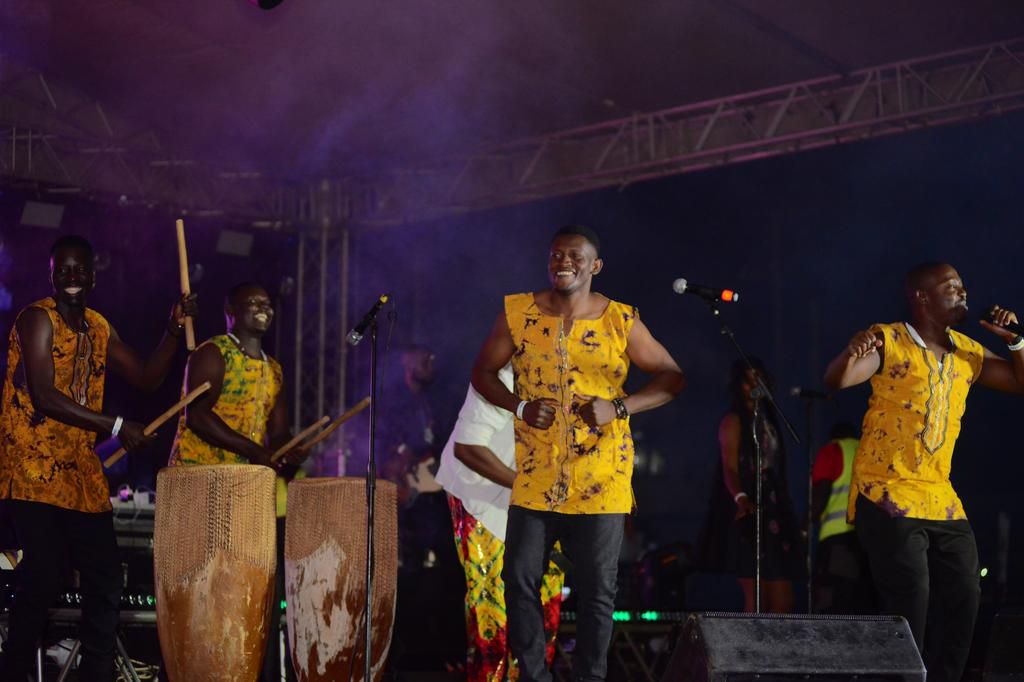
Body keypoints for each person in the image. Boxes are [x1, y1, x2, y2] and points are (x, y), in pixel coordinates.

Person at [471, 224, 685, 682]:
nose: (563, 262)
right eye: (555, 255)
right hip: (536, 476)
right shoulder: (518, 312)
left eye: (574, 256)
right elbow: (483, 373)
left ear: (595, 266)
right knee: (519, 579)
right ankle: (534, 676)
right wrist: (521, 405)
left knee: (597, 592)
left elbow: (671, 376)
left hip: (601, 476)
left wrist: (621, 406)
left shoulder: (620, 319)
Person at [0, 234, 196, 681]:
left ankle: (96, 673)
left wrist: (170, 331)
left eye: (79, 269)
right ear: (51, 274)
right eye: (62, 268)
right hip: (32, 466)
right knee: (45, 572)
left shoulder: (100, 327)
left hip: (79, 471)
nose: (71, 276)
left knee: (106, 579)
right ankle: (12, 671)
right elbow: (45, 396)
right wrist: (114, 426)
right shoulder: (37, 319)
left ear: (92, 275)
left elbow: (147, 377)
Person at [824, 262, 1024, 682]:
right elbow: (838, 380)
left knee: (966, 594)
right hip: (887, 492)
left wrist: (1018, 343)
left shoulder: (968, 352)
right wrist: (851, 352)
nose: (962, 293)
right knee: (912, 597)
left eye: (963, 286)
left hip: (938, 495)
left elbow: (1019, 382)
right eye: (951, 287)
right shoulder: (890, 339)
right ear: (922, 298)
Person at [167, 281, 303, 682]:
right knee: (196, 591)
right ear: (230, 309)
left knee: (237, 592)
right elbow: (197, 416)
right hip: (198, 481)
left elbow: (275, 434)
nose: (262, 309)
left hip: (243, 490)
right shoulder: (212, 352)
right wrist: (256, 451)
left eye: (267, 303)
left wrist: (287, 452)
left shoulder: (274, 369)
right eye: (252, 303)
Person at [435, 363, 564, 681]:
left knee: (541, 618)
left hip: (542, 503)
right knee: (493, 620)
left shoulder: (592, 376)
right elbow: (468, 449)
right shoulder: (508, 371)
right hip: (483, 495)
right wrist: (529, 487)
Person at [717, 358, 802, 613]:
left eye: (760, 378)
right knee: (757, 600)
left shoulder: (769, 420)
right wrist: (742, 497)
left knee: (783, 603)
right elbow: (729, 467)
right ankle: (749, 651)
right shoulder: (733, 422)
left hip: (775, 506)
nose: (756, 384)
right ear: (739, 385)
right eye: (749, 379)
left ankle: (778, 651)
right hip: (751, 507)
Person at [810, 422, 874, 614]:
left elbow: (821, 492)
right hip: (868, 539)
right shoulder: (867, 452)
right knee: (863, 601)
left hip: (838, 539)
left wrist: (805, 525)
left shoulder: (832, 450)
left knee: (833, 601)